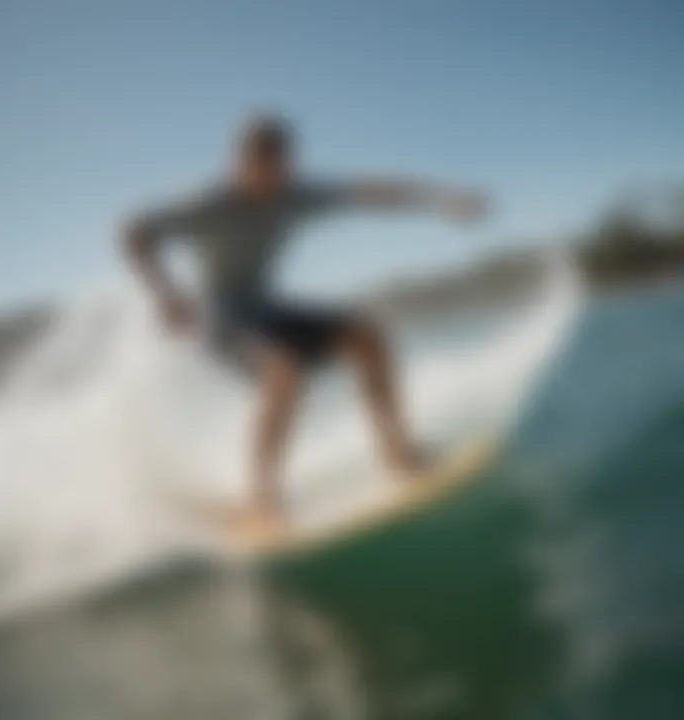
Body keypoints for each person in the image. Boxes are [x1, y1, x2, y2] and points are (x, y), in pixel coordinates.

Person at [122, 115, 487, 538]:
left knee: (367, 336)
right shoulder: (208, 204)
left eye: (278, 167)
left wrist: (438, 199)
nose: (268, 178)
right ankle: (262, 500)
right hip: (222, 320)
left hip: (266, 309)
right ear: (239, 162)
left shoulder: (293, 195)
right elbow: (134, 232)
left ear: (288, 165)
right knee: (284, 369)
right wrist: (166, 295)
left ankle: (398, 454)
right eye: (258, 166)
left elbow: (370, 193)